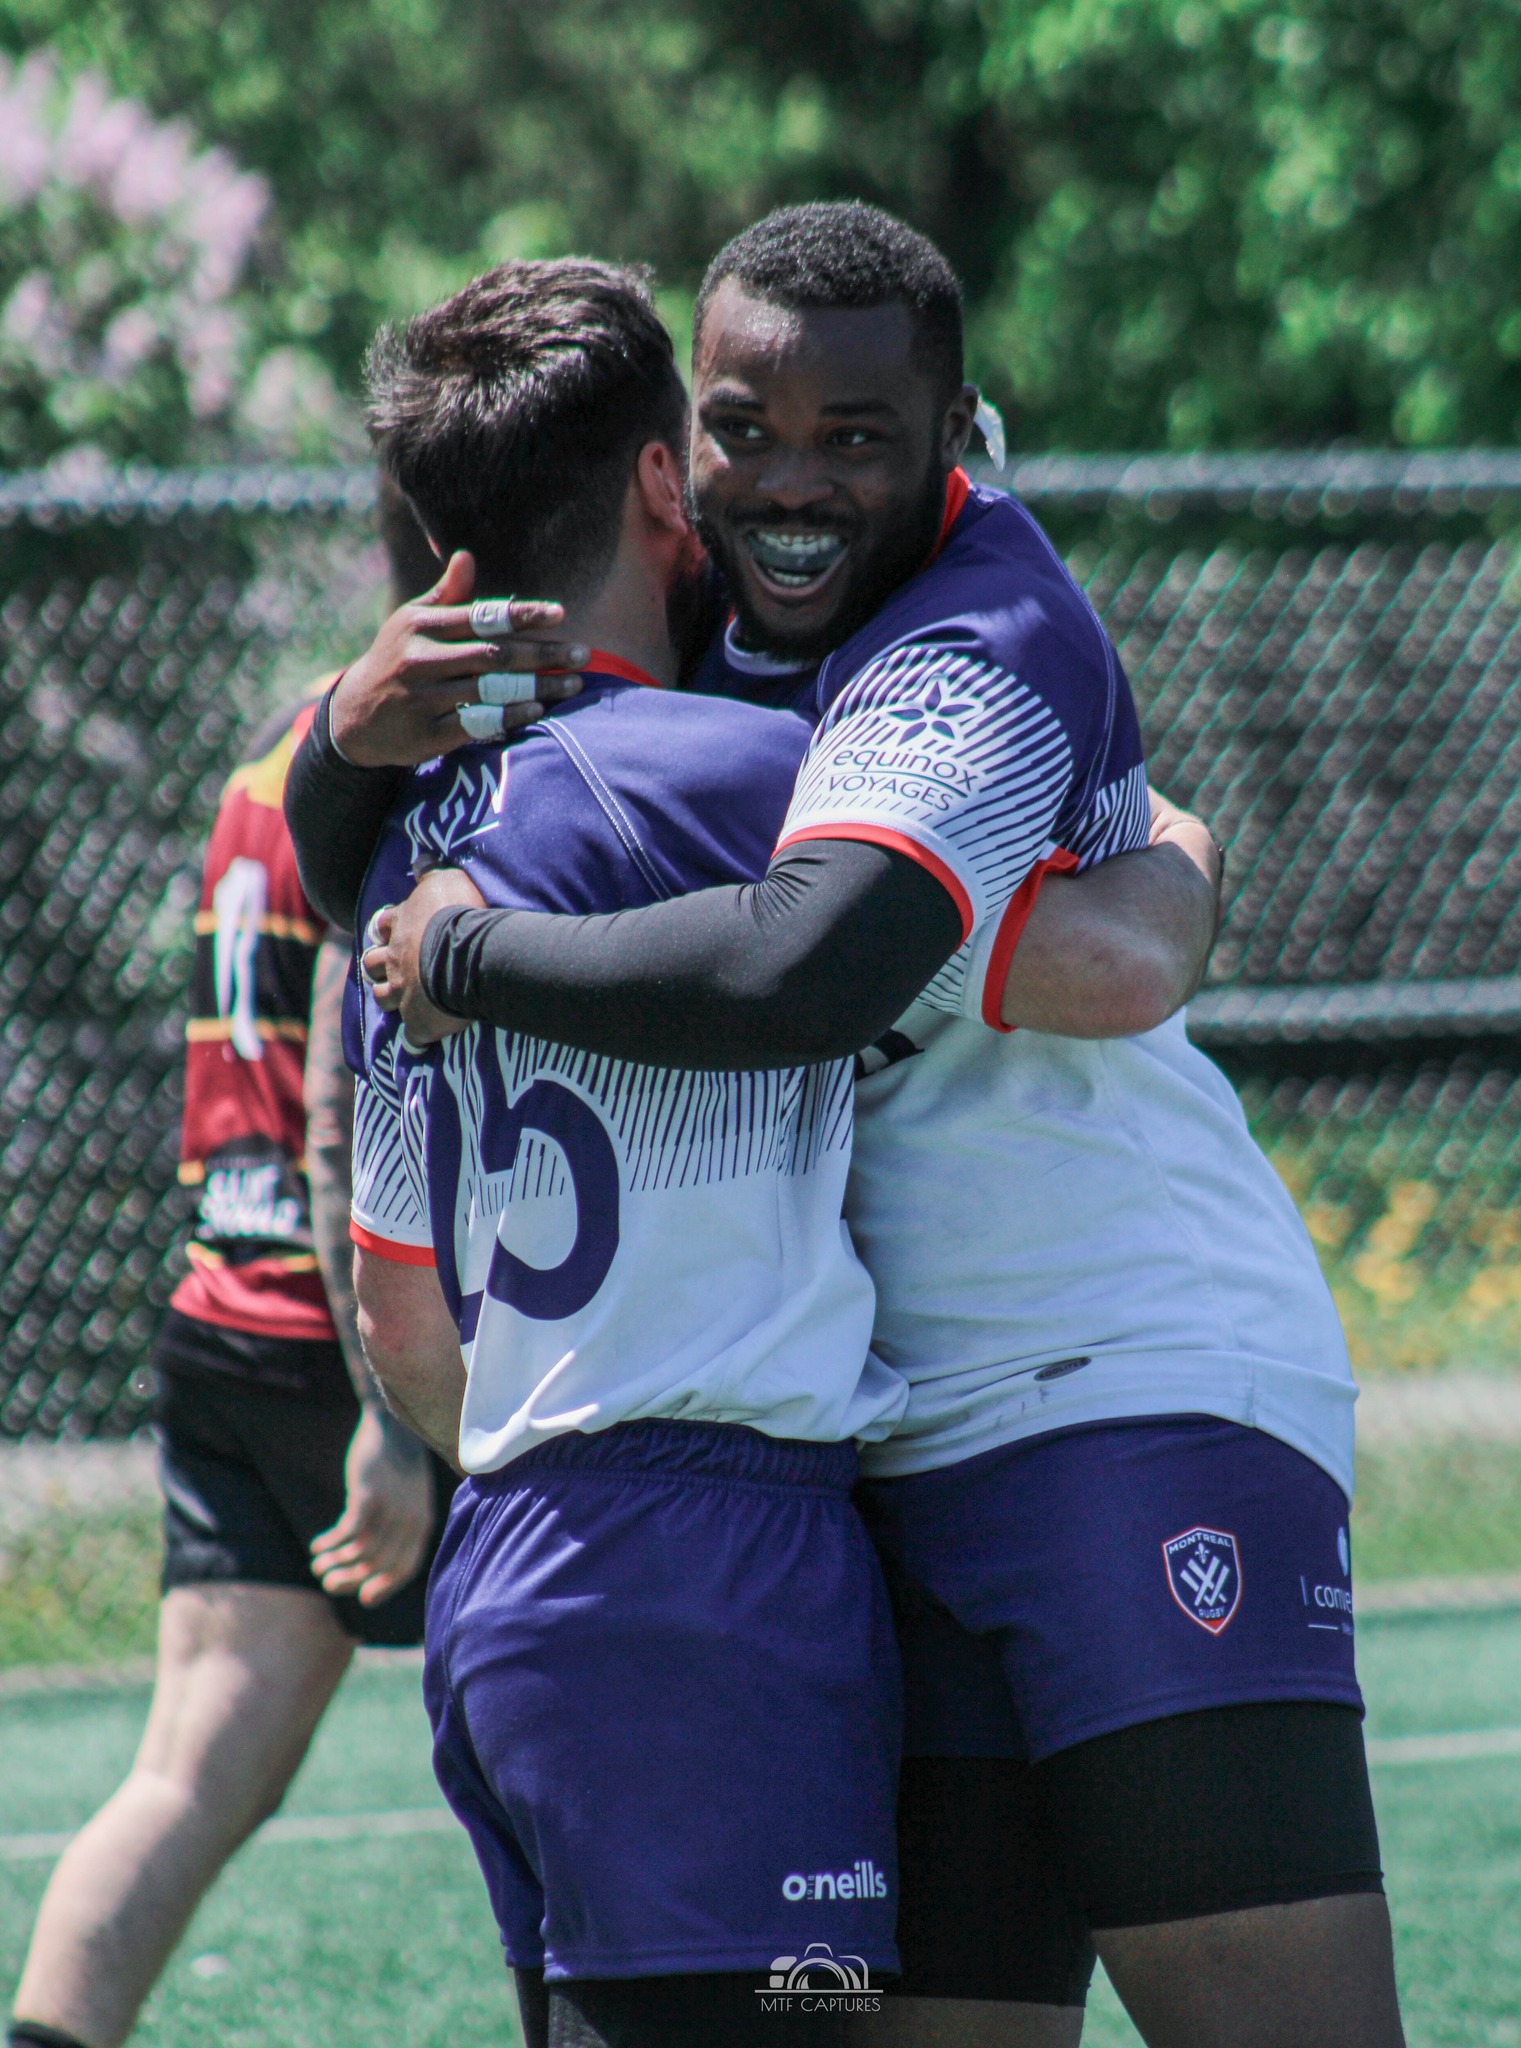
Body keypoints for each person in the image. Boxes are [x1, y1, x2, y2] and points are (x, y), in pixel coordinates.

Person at [296, 204, 1403, 2048]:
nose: (791, 481)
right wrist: (345, 734)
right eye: (745, 429)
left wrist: (466, 951)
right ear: (675, 459)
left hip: (1115, 1382)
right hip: (865, 1463)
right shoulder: (704, 611)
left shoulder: (973, 627)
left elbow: (834, 959)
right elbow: (384, 846)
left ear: (953, 439)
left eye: (856, 437)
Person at [345, 256, 924, 2048]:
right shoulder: (746, 774)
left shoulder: (395, 848)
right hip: (708, 1583)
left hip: (509, 1566)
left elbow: (399, 1308)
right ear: (663, 485)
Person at [6, 482, 452, 2048]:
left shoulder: (282, 741)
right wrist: (392, 1412)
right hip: (361, 1344)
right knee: (596, 1762)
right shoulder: (413, 751)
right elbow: (340, 1080)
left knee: (184, 1777)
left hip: (222, 1309)